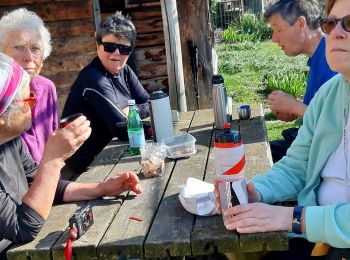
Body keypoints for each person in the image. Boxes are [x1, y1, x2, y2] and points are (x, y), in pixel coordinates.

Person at [214, 0, 350, 258]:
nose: (336, 32)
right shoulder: (330, 94)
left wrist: (292, 218)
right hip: (318, 237)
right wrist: (256, 191)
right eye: (330, 23)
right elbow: (297, 165)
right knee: (236, 249)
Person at [0, 53, 142, 258]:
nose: (33, 106)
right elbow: (23, 228)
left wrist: (102, 188)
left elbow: (41, 186)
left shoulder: (10, 141)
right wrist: (53, 160)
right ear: (3, 116)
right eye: (29, 100)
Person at [62, 12, 150, 174]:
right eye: (110, 46)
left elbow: (149, 104)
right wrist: (140, 121)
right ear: (98, 45)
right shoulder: (93, 78)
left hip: (112, 152)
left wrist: (133, 110)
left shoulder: (125, 71)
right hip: (88, 166)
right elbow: (122, 128)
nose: (116, 53)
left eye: (124, 49)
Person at [264, 0, 337, 162]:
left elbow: (336, 125)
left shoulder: (331, 59)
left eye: (278, 30)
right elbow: (320, 109)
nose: (274, 38)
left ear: (300, 23)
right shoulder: (318, 56)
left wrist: (294, 106)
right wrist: (294, 111)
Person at [0, 8, 58, 164]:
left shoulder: (47, 88)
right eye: (18, 47)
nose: (29, 57)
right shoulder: (1, 95)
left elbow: (51, 145)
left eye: (35, 48)